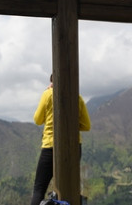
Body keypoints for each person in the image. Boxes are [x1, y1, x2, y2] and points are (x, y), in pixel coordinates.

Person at [30, 74, 91, 205]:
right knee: (70, 186)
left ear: (52, 82)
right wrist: (71, 126)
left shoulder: (48, 94)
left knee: (39, 188)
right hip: (74, 146)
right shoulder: (77, 97)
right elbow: (86, 126)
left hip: (50, 145)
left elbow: (37, 119)